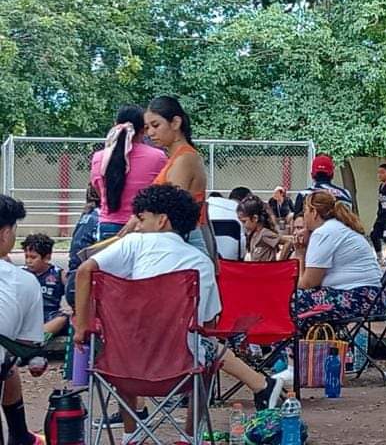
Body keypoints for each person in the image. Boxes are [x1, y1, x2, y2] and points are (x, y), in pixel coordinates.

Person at [73, 185, 285, 435]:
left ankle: (130, 434)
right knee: (207, 349)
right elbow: (207, 323)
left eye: (141, 218)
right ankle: (190, 434)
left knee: (122, 343)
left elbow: (84, 271)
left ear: (161, 220)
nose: (136, 225)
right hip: (179, 367)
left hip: (123, 364)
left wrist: (82, 327)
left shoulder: (132, 243)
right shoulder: (200, 262)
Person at [292, 191, 386, 328]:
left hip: (359, 297)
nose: (304, 216)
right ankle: (325, 339)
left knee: (290, 300)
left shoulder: (323, 232)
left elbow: (308, 283)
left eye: (305, 211)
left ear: (314, 212)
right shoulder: (341, 228)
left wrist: (300, 255)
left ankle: (292, 342)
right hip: (376, 298)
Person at [0, 195, 45, 445]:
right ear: (5, 233)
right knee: (7, 358)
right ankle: (20, 436)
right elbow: (27, 346)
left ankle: (20, 435)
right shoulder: (24, 281)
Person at [90, 104, 168, 240]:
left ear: (115, 125)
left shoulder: (98, 157)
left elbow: (99, 190)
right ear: (143, 129)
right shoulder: (158, 157)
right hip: (143, 226)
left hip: (108, 226)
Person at [144, 96, 210, 255]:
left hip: (183, 240)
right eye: (147, 127)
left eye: (156, 125)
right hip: (177, 240)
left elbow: (169, 209)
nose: (150, 133)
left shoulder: (185, 159)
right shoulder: (177, 158)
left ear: (175, 123)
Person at [21, 234, 68, 337]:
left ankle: (36, 338)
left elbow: (74, 295)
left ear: (47, 257)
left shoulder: (59, 274)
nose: (28, 261)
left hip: (49, 316)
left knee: (63, 318)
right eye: (26, 256)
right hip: (25, 315)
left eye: (33, 257)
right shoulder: (20, 273)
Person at [206, 187, 250, 261]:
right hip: (233, 262)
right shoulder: (241, 214)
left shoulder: (203, 210)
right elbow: (244, 248)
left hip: (206, 258)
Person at [237, 196, 281, 262]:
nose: (243, 225)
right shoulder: (252, 234)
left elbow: (288, 242)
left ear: (255, 218)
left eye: (244, 221)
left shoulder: (264, 233)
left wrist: (280, 263)